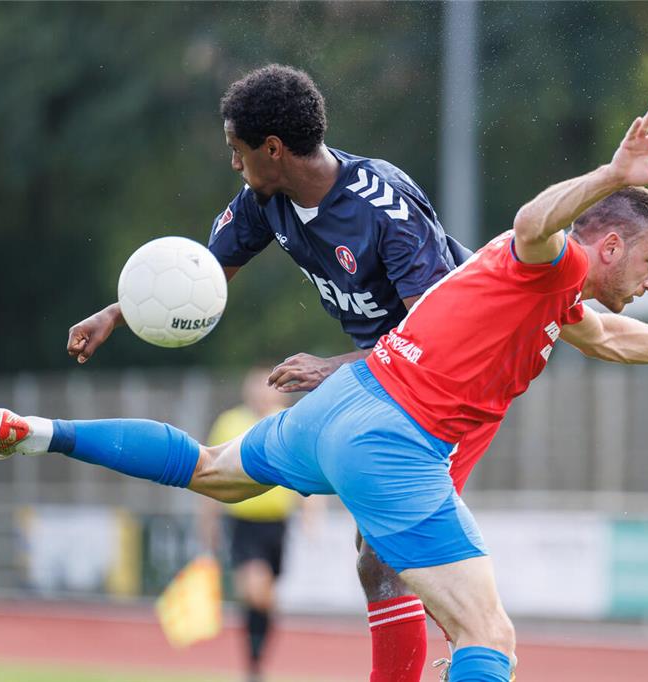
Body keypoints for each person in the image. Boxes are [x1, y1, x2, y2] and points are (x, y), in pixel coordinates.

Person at [0, 105, 648, 681]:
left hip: (339, 409)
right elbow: (537, 220)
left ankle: (39, 432)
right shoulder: (556, 256)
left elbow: (609, 339)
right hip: (395, 440)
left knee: (211, 468)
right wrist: (608, 174)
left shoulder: (566, 296)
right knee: (486, 634)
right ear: (607, 245)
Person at [64, 63, 496, 681]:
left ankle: (480, 654)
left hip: (458, 373)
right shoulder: (266, 202)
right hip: (390, 378)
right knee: (377, 556)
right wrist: (115, 313)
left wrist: (332, 367)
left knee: (395, 551)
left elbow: (439, 334)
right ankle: (465, 652)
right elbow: (199, 275)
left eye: (237, 151)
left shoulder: (383, 207)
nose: (233, 165)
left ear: (272, 148)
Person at [197, 367, 302, 682]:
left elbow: (306, 464)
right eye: (255, 387)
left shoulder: (288, 419)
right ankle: (253, 664)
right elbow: (208, 472)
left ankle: (256, 660)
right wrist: (208, 523)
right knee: (255, 593)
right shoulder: (230, 422)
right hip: (242, 521)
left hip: (278, 523)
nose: (261, 393)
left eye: (266, 387)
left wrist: (312, 510)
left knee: (267, 599)